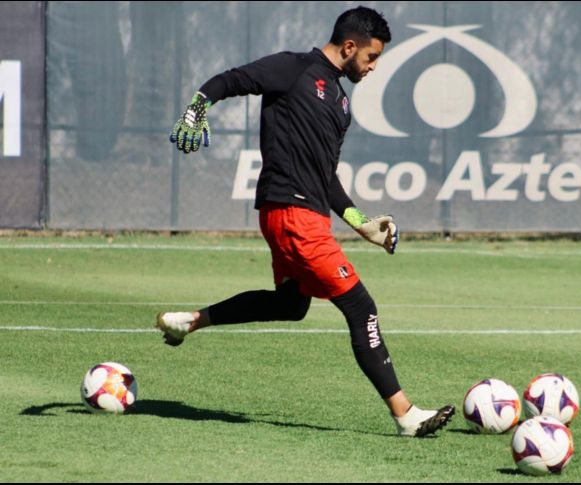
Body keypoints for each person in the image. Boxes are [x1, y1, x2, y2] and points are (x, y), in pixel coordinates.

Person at [158, 6, 454, 437]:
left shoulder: (340, 103)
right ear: (349, 46)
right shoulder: (293, 69)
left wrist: (360, 223)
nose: (373, 67)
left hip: (305, 214)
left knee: (291, 305)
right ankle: (406, 414)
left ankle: (191, 321)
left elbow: (325, 176)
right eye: (371, 58)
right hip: (292, 214)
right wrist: (198, 105)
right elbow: (232, 79)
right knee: (360, 307)